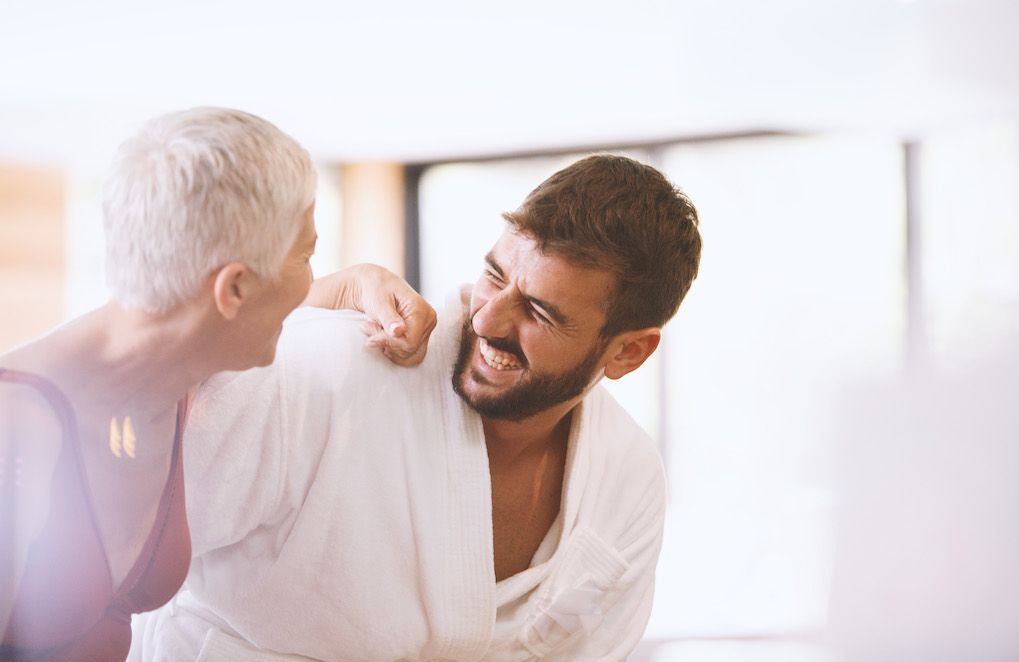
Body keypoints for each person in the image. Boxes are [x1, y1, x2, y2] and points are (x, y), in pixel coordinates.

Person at [130, 154, 702, 661]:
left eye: (540, 313)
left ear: (628, 351)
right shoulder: (332, 368)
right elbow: (117, 546)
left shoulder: (628, 479)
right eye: (494, 276)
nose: (487, 320)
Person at [0, 107, 434, 661]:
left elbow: (235, 311)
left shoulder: (175, 363)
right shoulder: (18, 427)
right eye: (305, 254)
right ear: (233, 289)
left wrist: (359, 283)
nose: (310, 274)